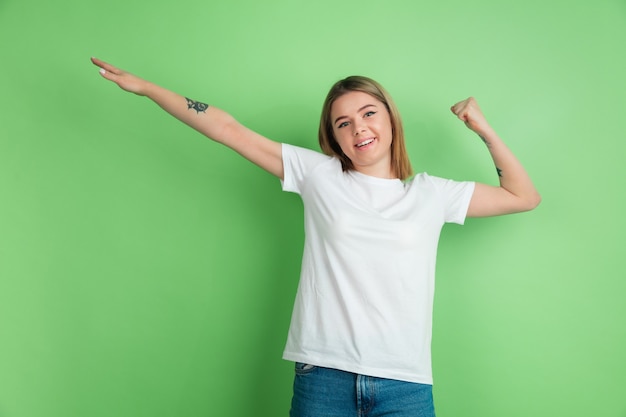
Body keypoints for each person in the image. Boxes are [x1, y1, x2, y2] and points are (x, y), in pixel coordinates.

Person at [91, 57, 541, 417]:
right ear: (334, 137)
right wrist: (149, 89)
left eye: (368, 113)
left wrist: (483, 128)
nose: (359, 128)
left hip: (405, 382)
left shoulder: (431, 194)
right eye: (343, 123)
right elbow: (227, 129)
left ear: (390, 119)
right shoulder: (319, 176)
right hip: (324, 376)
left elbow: (523, 196)